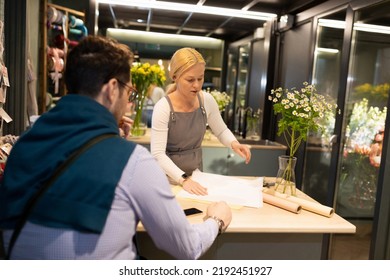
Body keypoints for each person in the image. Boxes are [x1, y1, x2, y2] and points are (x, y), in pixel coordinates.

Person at [0, 36, 232, 260]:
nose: (129, 102)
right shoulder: (132, 161)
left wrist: (108, 134)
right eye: (129, 91)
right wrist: (217, 221)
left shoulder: (22, 146)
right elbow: (188, 247)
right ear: (112, 89)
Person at [151, 48, 251, 196]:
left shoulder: (207, 101)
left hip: (196, 177)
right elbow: (158, 154)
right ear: (174, 76)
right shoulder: (163, 107)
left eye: (200, 78)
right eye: (190, 80)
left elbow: (221, 130)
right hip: (167, 180)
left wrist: (234, 143)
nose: (197, 85)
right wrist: (184, 180)